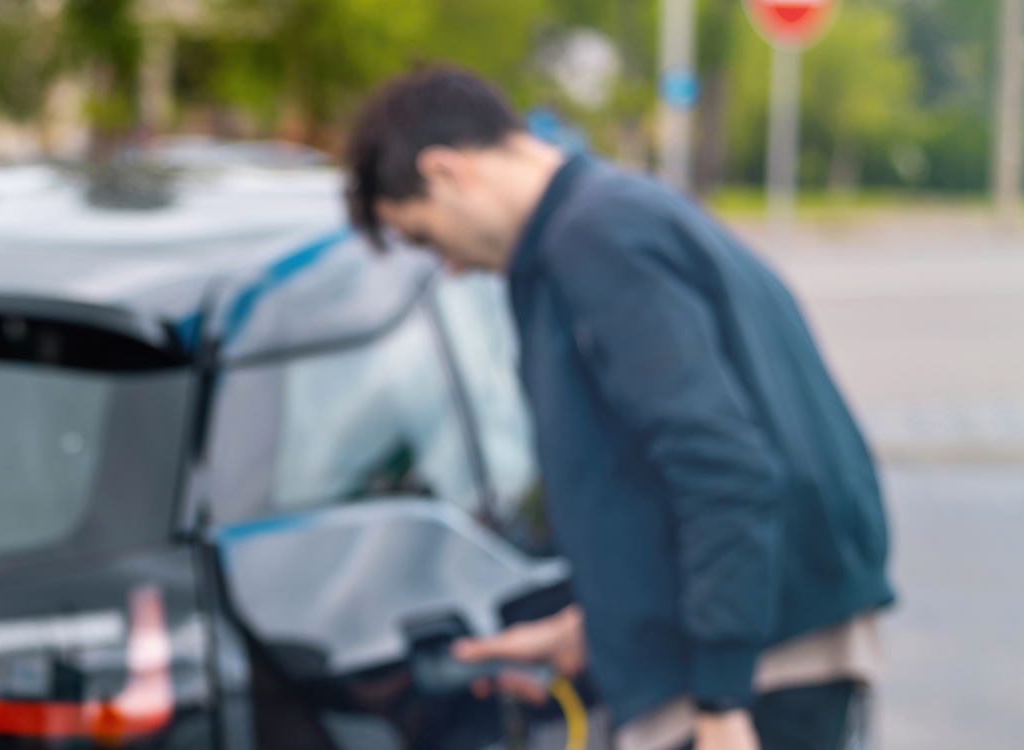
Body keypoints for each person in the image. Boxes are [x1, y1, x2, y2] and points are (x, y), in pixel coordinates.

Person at [342, 66, 895, 750]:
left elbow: (721, 466)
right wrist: (600, 627)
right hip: (765, 640)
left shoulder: (593, 240)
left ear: (449, 171)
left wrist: (721, 701)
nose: (448, 267)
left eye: (424, 237)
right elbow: (647, 471)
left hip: (754, 672)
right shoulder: (617, 211)